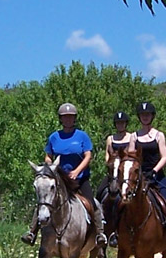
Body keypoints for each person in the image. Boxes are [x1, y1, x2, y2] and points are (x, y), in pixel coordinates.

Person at [22, 103, 107, 248]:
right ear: (61, 119)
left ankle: (99, 233)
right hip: (60, 179)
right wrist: (50, 167)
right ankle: (32, 232)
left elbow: (88, 156)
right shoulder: (54, 137)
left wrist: (77, 171)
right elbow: (48, 156)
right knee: (44, 201)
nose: (68, 120)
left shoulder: (82, 136)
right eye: (65, 117)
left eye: (70, 117)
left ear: (74, 119)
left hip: (79, 178)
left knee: (92, 203)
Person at [133, 101, 166, 255]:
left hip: (156, 176)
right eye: (142, 115)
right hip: (139, 177)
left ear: (152, 116)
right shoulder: (134, 136)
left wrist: (154, 170)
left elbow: (164, 156)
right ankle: (116, 235)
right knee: (123, 203)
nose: (145, 117)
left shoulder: (159, 135)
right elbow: (131, 157)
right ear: (139, 117)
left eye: (147, 115)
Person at [98, 111, 134, 248]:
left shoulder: (131, 137)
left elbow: (132, 156)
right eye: (118, 123)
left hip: (124, 172)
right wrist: (111, 163)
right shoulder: (110, 138)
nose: (120, 125)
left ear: (126, 124)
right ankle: (99, 225)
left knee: (125, 198)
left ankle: (123, 228)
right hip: (113, 171)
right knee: (100, 192)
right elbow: (107, 156)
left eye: (122, 123)